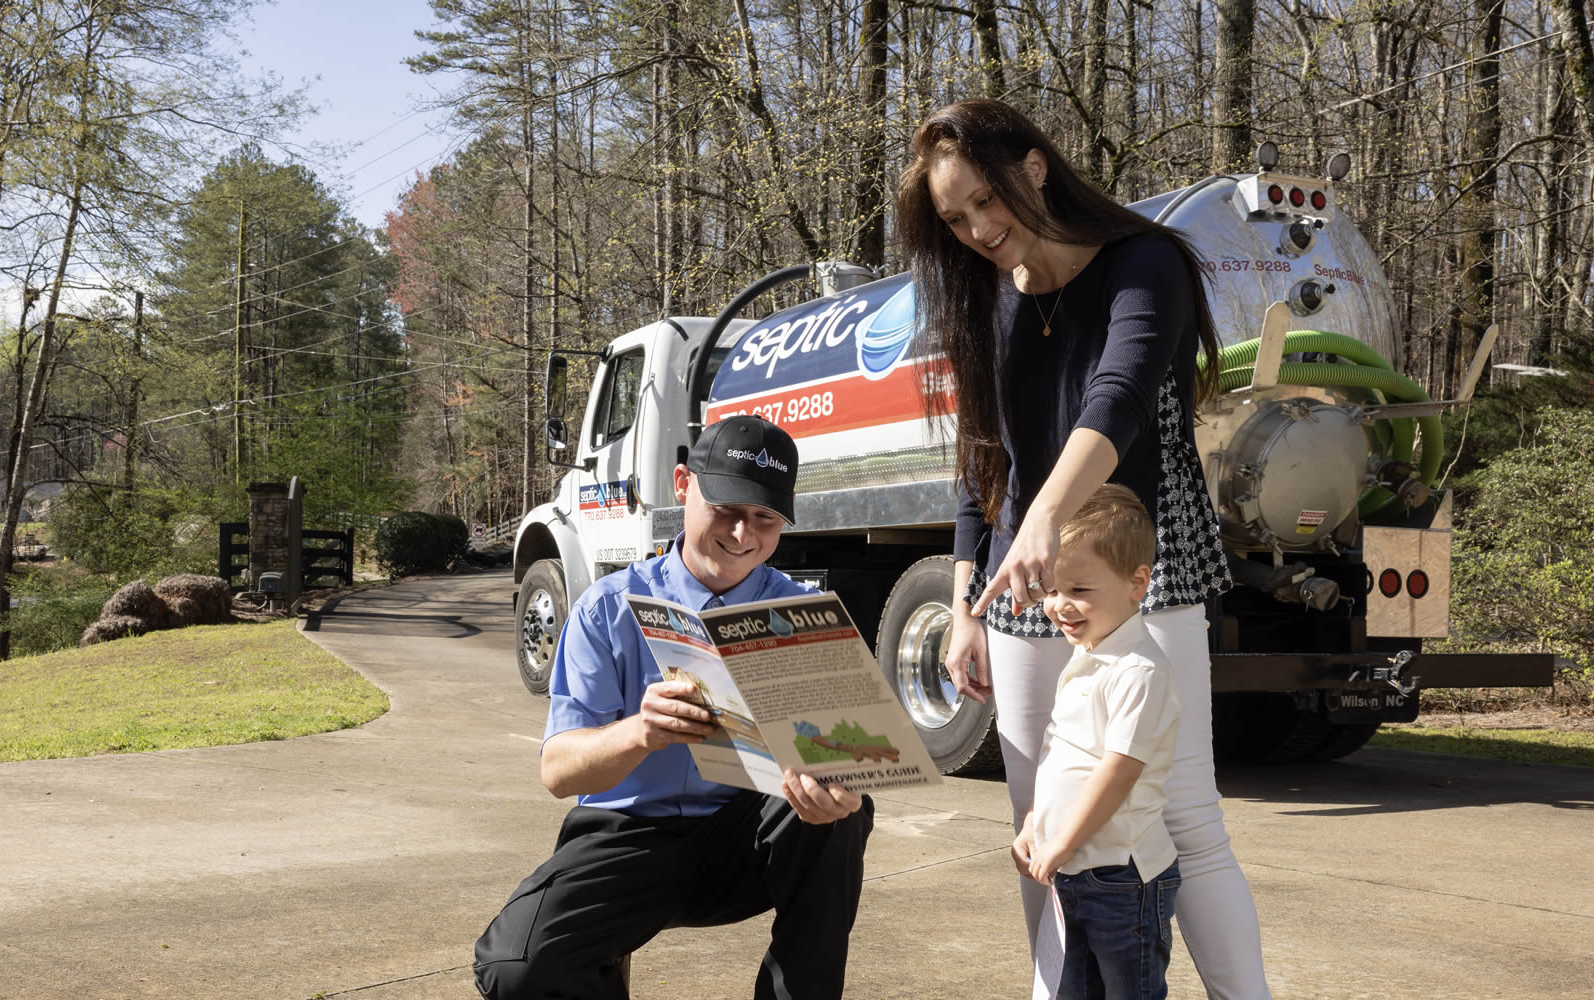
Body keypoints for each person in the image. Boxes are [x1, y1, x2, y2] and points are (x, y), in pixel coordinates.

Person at [895, 98, 1272, 999]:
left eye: (987, 200)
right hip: (1025, 583)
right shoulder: (989, 300)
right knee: (1042, 819)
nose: (979, 229)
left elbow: (1121, 394)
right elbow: (983, 457)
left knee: (1183, 818)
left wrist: (1043, 516)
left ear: (1034, 168)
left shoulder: (1145, 264)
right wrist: (964, 597)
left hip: (1144, 570)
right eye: (955, 218)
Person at [471, 414, 875, 1000]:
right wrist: (642, 731)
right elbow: (558, 772)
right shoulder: (606, 609)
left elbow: (854, 752)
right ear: (684, 485)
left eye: (765, 519)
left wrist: (848, 790)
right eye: (727, 509)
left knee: (839, 818)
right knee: (516, 967)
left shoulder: (806, 614)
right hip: (629, 835)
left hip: (748, 838)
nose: (742, 535)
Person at [1014, 484, 1182, 1000]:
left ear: (1137, 583)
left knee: (1129, 991)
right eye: (1051, 590)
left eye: (1079, 590)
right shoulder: (1090, 657)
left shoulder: (1138, 671)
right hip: (1075, 871)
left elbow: (1117, 772)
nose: (1060, 606)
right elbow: (1063, 759)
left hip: (1122, 879)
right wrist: (1036, 827)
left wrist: (1061, 843)